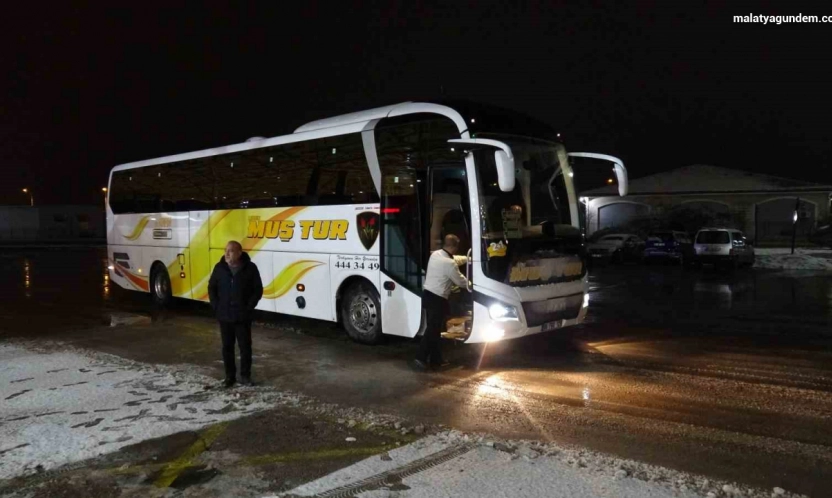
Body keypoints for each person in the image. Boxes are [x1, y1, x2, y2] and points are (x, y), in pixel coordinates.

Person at [208, 241, 263, 388]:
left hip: (242, 316)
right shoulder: (220, 268)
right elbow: (212, 287)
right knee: (227, 347)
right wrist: (216, 306)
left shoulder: (250, 268)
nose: (227, 253)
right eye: (226, 250)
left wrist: (248, 308)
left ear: (239, 253)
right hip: (224, 315)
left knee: (245, 347)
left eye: (231, 251)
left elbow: (257, 290)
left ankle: (245, 376)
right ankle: (229, 377)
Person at [411, 234, 469, 371]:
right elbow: (460, 281)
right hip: (438, 299)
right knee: (432, 330)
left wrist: (469, 258)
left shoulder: (436, 255)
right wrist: (474, 285)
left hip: (428, 296)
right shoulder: (449, 264)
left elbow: (455, 259)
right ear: (454, 247)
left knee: (435, 330)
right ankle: (420, 357)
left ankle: (437, 360)